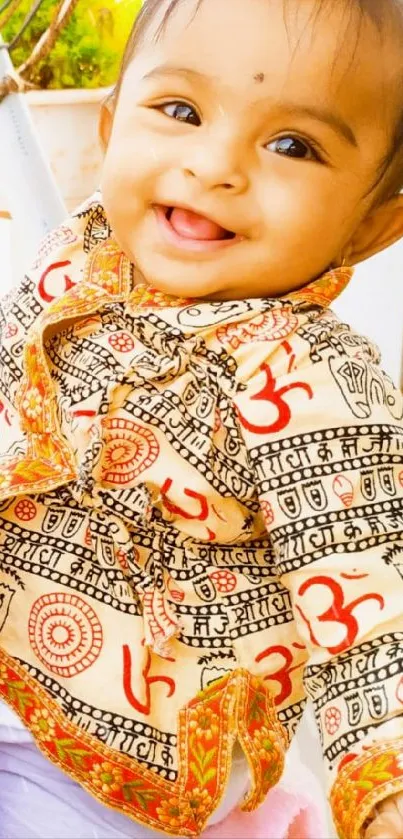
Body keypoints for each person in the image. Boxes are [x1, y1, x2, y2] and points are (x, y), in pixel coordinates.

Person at [0, 0, 402, 837]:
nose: (213, 165)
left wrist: (385, 782)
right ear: (111, 128)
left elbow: (366, 599)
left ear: (371, 223)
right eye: (179, 110)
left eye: (293, 145)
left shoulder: (308, 375)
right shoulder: (83, 252)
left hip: (125, 751)